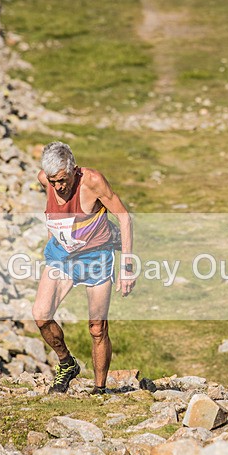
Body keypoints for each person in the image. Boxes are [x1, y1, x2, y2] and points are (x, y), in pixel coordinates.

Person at [32, 141, 135, 394]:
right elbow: (53, 216)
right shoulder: (44, 180)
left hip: (96, 258)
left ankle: (99, 390)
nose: (58, 186)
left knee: (97, 327)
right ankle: (67, 364)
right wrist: (51, 245)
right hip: (61, 257)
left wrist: (128, 266)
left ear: (74, 169)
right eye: (53, 181)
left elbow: (123, 216)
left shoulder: (92, 181)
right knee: (41, 315)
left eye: (63, 180)